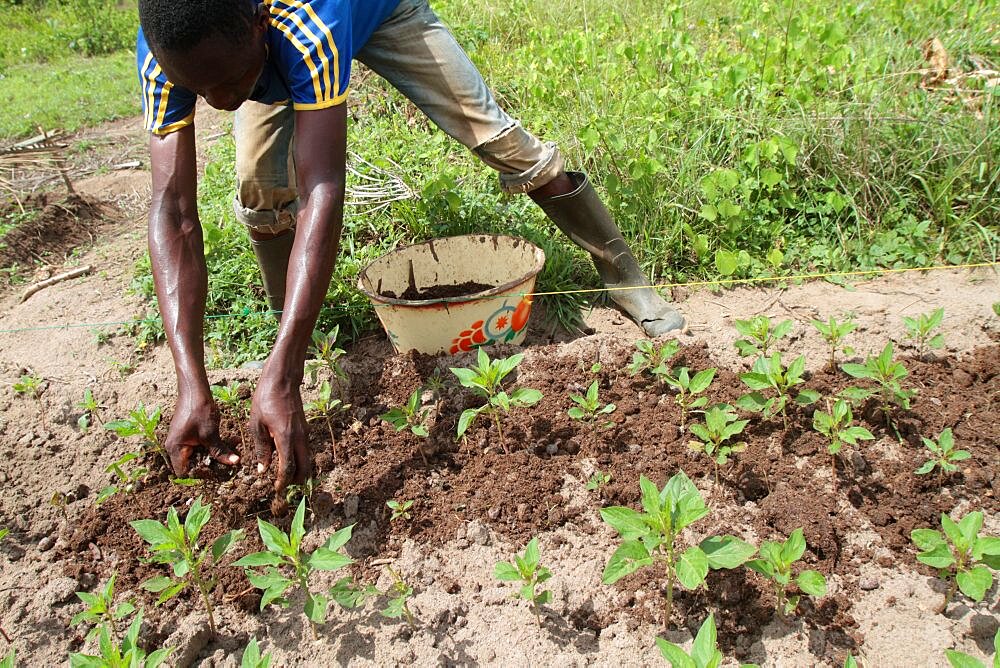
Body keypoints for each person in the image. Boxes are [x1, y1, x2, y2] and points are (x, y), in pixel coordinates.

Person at [137, 0, 685, 494]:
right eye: (201, 90)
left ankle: (624, 276)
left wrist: (279, 380)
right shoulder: (171, 46)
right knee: (260, 195)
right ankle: (294, 336)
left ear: (259, 23)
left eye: (229, 83)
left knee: (500, 140)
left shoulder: (306, 25)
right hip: (260, 50)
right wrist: (191, 382)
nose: (221, 103)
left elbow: (322, 191)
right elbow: (173, 212)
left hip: (376, 11)